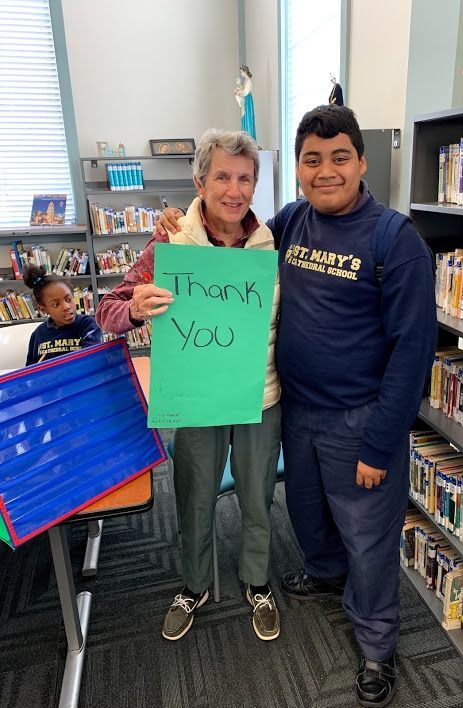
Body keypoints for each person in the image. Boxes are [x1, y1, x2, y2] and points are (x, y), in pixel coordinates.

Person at [157, 105, 437, 707]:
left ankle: (376, 646)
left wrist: (381, 441)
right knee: (309, 519)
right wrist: (175, 235)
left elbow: (413, 353)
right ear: (299, 169)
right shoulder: (289, 224)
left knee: (369, 537)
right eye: (312, 159)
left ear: (362, 162)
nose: (326, 171)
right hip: (294, 411)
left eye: (340, 158)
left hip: (359, 419)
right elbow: (226, 250)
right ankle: (323, 574)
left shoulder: (397, 241)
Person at [95, 129, 281, 643]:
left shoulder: (271, 241)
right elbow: (105, 310)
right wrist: (134, 308)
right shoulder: (170, 240)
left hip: (259, 395)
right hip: (196, 398)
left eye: (245, 178)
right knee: (194, 496)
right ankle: (194, 585)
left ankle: (257, 581)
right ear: (200, 181)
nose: (233, 189)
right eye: (222, 176)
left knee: (258, 495)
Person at [23, 264, 101, 365]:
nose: (66, 307)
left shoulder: (87, 324)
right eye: (56, 304)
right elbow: (30, 371)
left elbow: (91, 358)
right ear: (43, 309)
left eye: (69, 299)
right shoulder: (38, 334)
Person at [234, 65, 257, 141]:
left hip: (247, 102)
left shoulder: (248, 81)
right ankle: (245, 139)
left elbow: (245, 92)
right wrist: (238, 88)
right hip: (245, 101)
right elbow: (243, 90)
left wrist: (239, 92)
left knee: (248, 119)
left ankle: (249, 140)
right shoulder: (245, 81)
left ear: (245, 71)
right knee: (244, 119)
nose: (241, 74)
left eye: (241, 72)